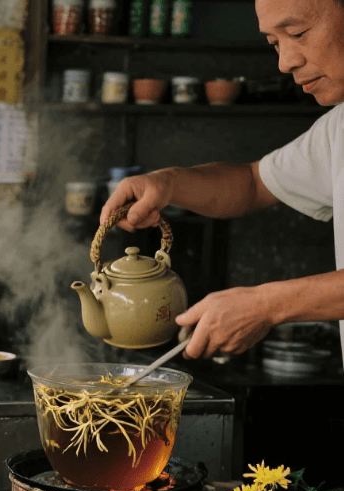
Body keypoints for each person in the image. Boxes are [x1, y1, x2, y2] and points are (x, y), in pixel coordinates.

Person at [101, 0, 344, 361]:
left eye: (297, 33)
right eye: (275, 43)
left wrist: (266, 305)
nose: (285, 61)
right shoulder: (337, 130)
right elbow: (252, 183)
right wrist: (167, 184)